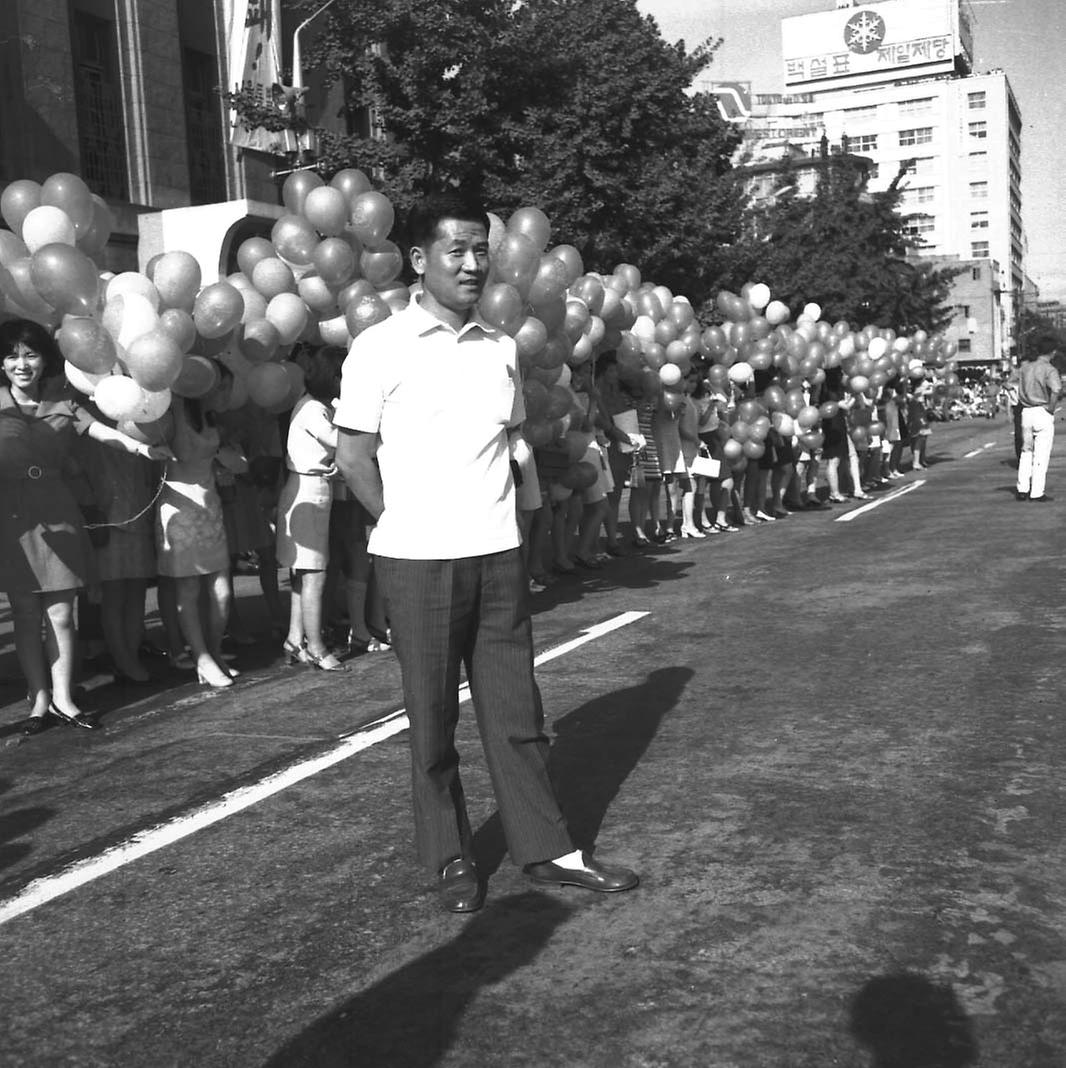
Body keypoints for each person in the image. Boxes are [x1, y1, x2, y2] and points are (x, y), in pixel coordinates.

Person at [334, 192, 638, 913]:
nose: (473, 265)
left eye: (481, 251)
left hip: (498, 556)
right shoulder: (378, 348)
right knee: (432, 720)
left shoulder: (501, 349)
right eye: (455, 251)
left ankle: (548, 849)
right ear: (417, 260)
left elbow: (509, 448)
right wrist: (405, 521)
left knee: (517, 713)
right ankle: (448, 858)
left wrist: (515, 527)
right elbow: (353, 457)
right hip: (417, 560)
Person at [0, 319, 172, 734]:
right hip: (12, 518)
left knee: (61, 614)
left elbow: (103, 433)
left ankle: (63, 699)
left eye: (30, 354)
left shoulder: (62, 401)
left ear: (45, 360)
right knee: (25, 613)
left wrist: (144, 448)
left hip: (59, 509)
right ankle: (37, 701)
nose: (21, 364)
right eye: (12, 355)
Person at [155, 374, 236, 688]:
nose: (224, 392)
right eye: (219, 386)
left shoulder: (212, 416)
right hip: (180, 511)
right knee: (188, 590)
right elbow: (185, 453)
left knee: (222, 592)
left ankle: (213, 651)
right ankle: (201, 657)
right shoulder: (174, 412)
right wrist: (177, 402)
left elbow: (232, 459)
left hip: (210, 506)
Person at [276, 344, 347, 671]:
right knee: (314, 574)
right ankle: (317, 646)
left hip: (311, 487)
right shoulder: (313, 409)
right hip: (308, 491)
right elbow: (337, 441)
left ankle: (295, 638)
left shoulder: (309, 404)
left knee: (302, 574)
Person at [1015, 336, 1062, 502]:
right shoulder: (1049, 369)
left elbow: (1010, 384)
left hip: (1026, 411)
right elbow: (1056, 389)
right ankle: (1037, 492)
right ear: (1052, 352)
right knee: (1041, 454)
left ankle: (1022, 488)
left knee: (1026, 451)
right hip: (1042, 411)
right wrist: (1050, 408)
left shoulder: (1025, 368)